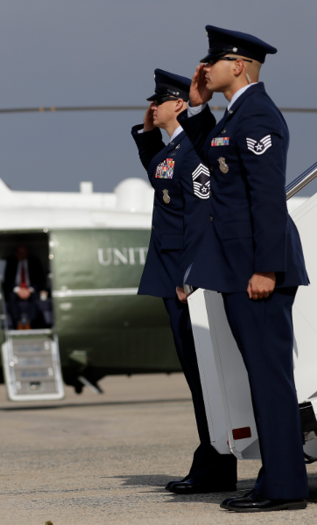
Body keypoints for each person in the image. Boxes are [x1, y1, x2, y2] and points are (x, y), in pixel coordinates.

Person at [178, 26, 309, 513]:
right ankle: (275, 478)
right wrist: (197, 109)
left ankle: (284, 488)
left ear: (237, 66)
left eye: (211, 62)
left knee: (270, 379)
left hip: (256, 272)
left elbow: (269, 201)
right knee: (259, 378)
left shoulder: (257, 117)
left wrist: (267, 270)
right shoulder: (237, 116)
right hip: (238, 268)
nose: (203, 69)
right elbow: (215, 159)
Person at [131, 69, 237, 495]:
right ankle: (213, 458)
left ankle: (215, 460)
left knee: (202, 372)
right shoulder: (170, 152)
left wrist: (190, 275)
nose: (151, 106)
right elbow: (154, 164)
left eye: (159, 100)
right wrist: (150, 122)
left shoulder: (194, 154)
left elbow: (200, 216)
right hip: (168, 274)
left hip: (185, 278)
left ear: (177, 104)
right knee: (195, 375)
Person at [2, 245, 47, 329]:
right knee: (11, 297)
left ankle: (29, 323)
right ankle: (18, 323)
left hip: (31, 289)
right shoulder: (11, 262)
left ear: (26, 253)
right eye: (18, 253)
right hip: (16, 290)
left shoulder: (34, 261)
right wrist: (18, 290)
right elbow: (7, 280)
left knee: (35, 298)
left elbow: (40, 279)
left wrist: (29, 290)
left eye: (22, 252)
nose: (20, 255)